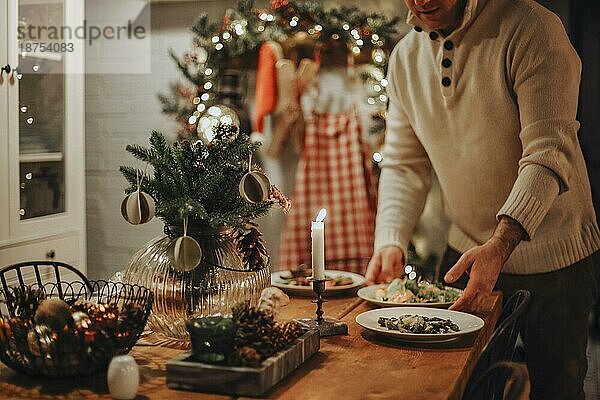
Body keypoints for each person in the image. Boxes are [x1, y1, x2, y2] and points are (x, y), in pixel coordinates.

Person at [365, 0, 600, 399]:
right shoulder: (405, 58)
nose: (422, 0)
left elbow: (547, 153)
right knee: (460, 388)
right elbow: (404, 163)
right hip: (464, 256)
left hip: (555, 258)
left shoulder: (532, 28)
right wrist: (390, 238)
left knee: (556, 389)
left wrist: (500, 243)